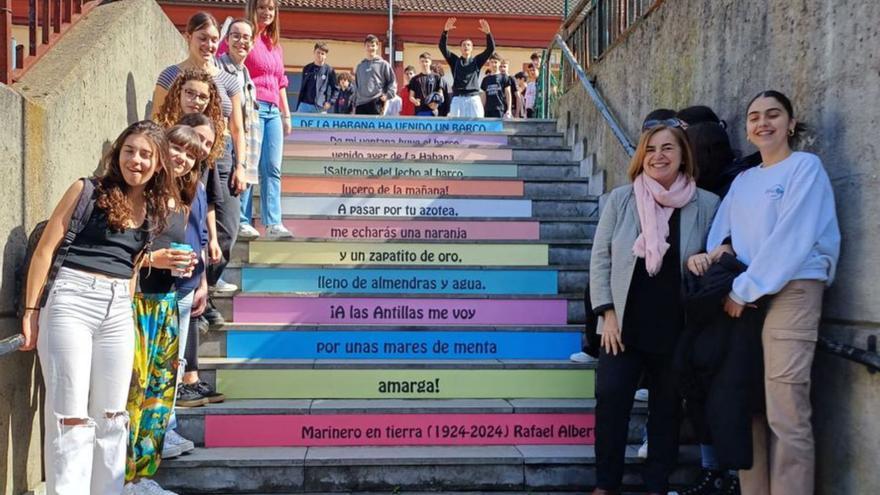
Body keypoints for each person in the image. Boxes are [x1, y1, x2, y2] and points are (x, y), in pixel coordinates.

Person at [694, 90, 840, 495]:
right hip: (746, 293)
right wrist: (715, 253)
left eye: (773, 115)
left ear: (791, 124)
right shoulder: (744, 180)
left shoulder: (805, 168)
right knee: (749, 405)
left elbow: (792, 238)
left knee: (786, 409)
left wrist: (744, 288)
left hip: (789, 289)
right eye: (754, 117)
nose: (763, 123)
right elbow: (719, 234)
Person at [20, 120, 177, 495]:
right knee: (70, 418)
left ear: (158, 165)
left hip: (119, 308)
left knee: (113, 417)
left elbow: (132, 265)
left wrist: (129, 305)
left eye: (145, 154)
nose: (135, 160)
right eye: (129, 150)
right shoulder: (86, 190)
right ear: (117, 152)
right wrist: (30, 312)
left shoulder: (155, 209)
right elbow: (45, 251)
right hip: (71, 297)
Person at [589, 122, 719, 495]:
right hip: (622, 325)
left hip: (675, 326)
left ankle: (656, 484)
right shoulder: (620, 199)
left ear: (683, 157)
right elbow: (600, 260)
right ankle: (605, 484)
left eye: (667, 149)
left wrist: (705, 258)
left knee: (667, 410)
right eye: (650, 149)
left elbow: (719, 251)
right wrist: (607, 313)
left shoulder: (706, 204)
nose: (658, 156)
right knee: (612, 402)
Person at [152, 11, 248, 332]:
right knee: (191, 229)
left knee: (228, 229)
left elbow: (238, 128)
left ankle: (207, 286)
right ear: (188, 36)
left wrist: (241, 164)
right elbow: (157, 119)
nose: (208, 44)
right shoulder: (170, 75)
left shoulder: (228, 80)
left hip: (219, 159)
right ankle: (198, 301)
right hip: (182, 159)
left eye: (212, 39)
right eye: (201, 38)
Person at [123, 126, 201, 494]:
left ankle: (142, 476)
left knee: (157, 393)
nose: (181, 158)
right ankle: (121, 476)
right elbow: (114, 255)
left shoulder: (178, 202)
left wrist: (189, 269)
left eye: (190, 154)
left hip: (166, 304)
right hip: (135, 304)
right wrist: (154, 258)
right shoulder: (136, 197)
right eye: (176, 148)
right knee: (130, 394)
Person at [241, 0, 293, 239]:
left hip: (273, 111)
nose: (266, 12)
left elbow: (281, 81)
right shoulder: (244, 37)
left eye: (271, 9)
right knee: (249, 165)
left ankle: (273, 223)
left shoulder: (275, 46)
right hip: (252, 107)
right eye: (262, 7)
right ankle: (242, 220)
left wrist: (286, 113)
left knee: (272, 167)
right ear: (253, 9)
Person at [216, 18, 263, 241]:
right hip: (219, 148)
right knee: (218, 220)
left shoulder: (246, 77)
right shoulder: (216, 68)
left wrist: (242, 164)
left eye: (246, 37)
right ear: (227, 40)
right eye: (236, 36)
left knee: (229, 223)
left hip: (238, 151)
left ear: (252, 44)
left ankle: (215, 273)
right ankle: (208, 274)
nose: (241, 41)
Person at [438, 17, 495, 118]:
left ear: (472, 48)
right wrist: (445, 31)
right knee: (455, 127)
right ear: (460, 48)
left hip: (473, 98)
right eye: (464, 45)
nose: (466, 47)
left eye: (468, 45)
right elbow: (442, 47)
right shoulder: (454, 60)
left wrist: (488, 33)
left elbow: (491, 49)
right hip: (457, 99)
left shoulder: (477, 61)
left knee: (477, 127)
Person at [352, 34, 396, 115]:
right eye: (368, 46)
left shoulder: (384, 64)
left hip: (376, 102)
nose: (370, 48)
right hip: (360, 104)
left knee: (375, 128)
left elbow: (392, 81)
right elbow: (356, 86)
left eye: (373, 45)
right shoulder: (360, 66)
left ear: (377, 46)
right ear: (364, 47)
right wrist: (354, 103)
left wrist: (387, 95)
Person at [296, 42, 338, 114]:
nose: (320, 55)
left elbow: (336, 89)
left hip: (320, 106)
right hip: (304, 105)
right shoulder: (307, 68)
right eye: (318, 52)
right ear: (314, 53)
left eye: (322, 54)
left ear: (325, 56)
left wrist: (330, 102)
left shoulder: (329, 70)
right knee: (296, 124)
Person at [408, 53, 444, 117]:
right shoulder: (414, 79)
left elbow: (440, 94)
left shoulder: (437, 77)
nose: (424, 64)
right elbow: (411, 97)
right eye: (422, 61)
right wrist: (415, 101)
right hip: (420, 111)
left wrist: (436, 103)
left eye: (426, 61)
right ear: (419, 62)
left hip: (433, 111)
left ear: (430, 62)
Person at [480, 53, 511, 118]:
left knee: (498, 128)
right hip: (488, 110)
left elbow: (508, 94)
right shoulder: (485, 79)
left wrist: (509, 109)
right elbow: (483, 96)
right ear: (489, 64)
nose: (494, 64)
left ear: (499, 63)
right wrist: (481, 110)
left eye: (495, 62)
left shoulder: (504, 77)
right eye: (492, 62)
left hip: (499, 109)